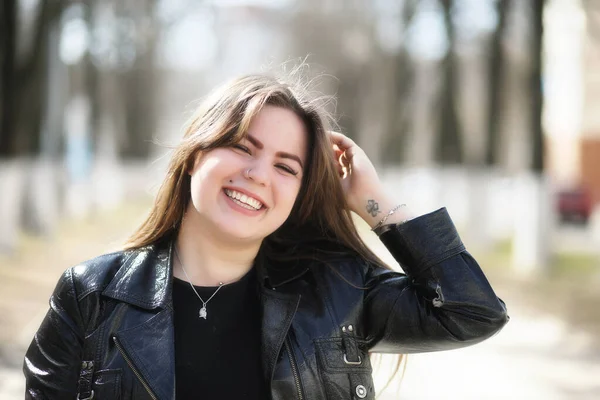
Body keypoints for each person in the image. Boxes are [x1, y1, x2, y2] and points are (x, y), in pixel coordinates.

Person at [23, 69, 509, 400]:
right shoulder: (91, 297)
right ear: (196, 155)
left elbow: (473, 313)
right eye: (241, 147)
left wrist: (373, 202)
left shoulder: (337, 291)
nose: (257, 175)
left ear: (299, 195)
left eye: (286, 167)